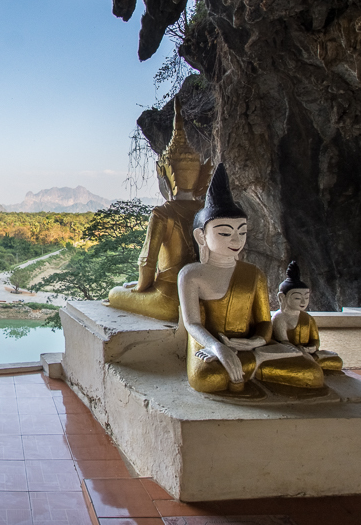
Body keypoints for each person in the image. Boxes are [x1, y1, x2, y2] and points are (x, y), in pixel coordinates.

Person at [177, 163, 324, 394]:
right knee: (209, 379)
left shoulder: (253, 274)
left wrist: (255, 342)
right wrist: (218, 347)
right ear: (201, 236)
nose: (236, 240)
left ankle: (248, 368)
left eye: (242, 232)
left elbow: (265, 322)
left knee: (312, 375)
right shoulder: (191, 274)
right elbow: (192, 324)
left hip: (253, 347)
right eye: (224, 232)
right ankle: (245, 369)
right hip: (211, 346)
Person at [108, 99, 212, 321]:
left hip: (172, 298)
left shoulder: (163, 213)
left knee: (115, 294)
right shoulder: (209, 212)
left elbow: (147, 262)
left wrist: (139, 288)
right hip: (207, 297)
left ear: (165, 174)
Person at [272, 261, 343, 371]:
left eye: (306, 297)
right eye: (297, 298)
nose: (303, 301)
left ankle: (311, 363)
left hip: (307, 352)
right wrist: (300, 351)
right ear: (282, 298)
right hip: (289, 354)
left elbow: (315, 341)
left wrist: (310, 349)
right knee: (305, 366)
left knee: (336, 361)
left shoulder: (308, 318)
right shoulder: (279, 318)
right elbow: (283, 343)